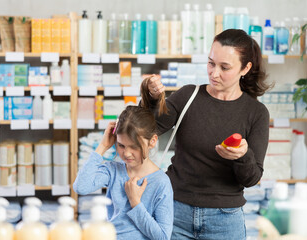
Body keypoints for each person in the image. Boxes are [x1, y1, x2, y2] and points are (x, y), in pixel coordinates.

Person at [140, 29, 271, 240]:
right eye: (211, 63)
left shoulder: (256, 113)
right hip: (174, 212)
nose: (214, 73)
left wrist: (242, 156)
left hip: (225, 221)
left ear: (245, 68)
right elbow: (148, 127)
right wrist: (152, 97)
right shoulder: (188, 96)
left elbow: (252, 178)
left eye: (224, 67)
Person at [74, 104, 174, 240]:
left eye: (134, 147)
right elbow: (81, 186)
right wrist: (103, 146)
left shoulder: (161, 182)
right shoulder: (113, 170)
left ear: (152, 141)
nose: (126, 153)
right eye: (121, 145)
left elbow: (163, 237)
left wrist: (135, 202)